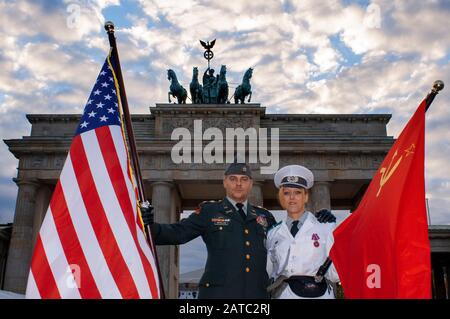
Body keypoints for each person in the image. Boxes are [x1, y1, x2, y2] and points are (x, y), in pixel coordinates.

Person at [140, 162, 336, 299]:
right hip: (218, 295)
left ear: (251, 184)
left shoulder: (265, 218)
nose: (238, 184)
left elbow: (286, 247)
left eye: (244, 179)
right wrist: (148, 225)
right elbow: (177, 233)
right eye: (233, 179)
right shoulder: (209, 211)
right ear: (224, 182)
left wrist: (321, 218)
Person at [266, 165, 340, 299]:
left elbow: (335, 274)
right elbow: (269, 273)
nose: (292, 198)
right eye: (286, 193)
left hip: (319, 295)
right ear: (281, 198)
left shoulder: (325, 227)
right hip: (284, 295)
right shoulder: (273, 233)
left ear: (306, 196)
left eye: (298, 192)